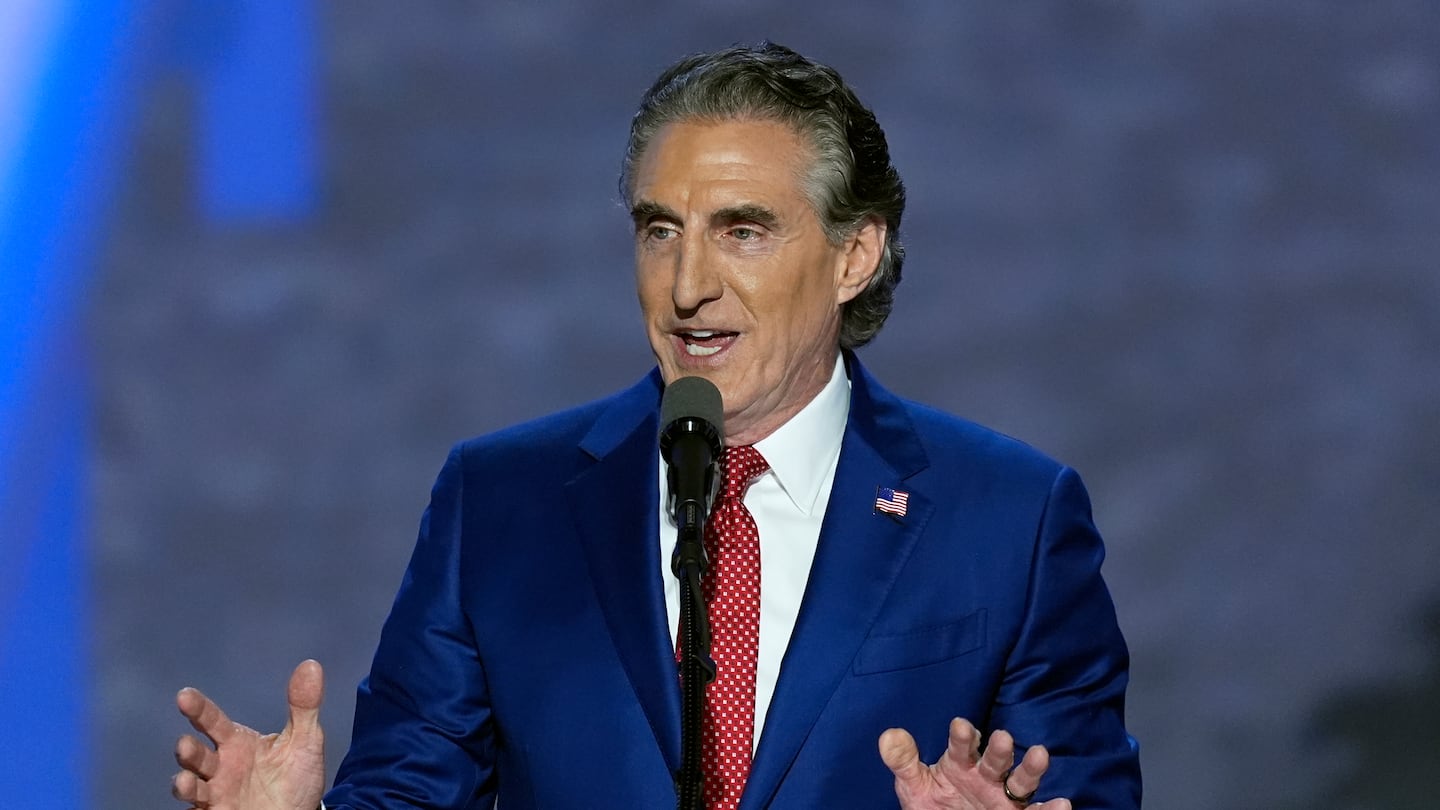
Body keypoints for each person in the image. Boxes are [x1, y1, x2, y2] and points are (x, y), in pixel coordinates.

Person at [172, 43, 1141, 809]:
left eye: (743, 230)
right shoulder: (502, 504)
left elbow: (1075, 793)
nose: (688, 287)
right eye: (660, 229)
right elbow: (413, 795)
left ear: (855, 256)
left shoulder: (1008, 519)